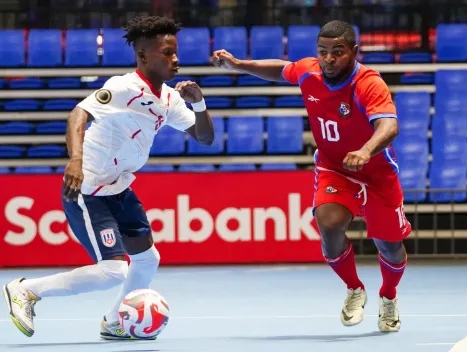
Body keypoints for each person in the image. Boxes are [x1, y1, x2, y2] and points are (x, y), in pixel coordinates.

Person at [3, 16, 214, 340]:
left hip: (119, 186)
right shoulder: (123, 87)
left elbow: (205, 138)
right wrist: (76, 160)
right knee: (114, 270)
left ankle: (115, 322)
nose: (175, 59)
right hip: (87, 188)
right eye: (166, 53)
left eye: (175, 53)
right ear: (144, 56)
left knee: (147, 259)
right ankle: (27, 290)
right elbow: (79, 114)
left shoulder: (169, 98)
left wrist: (198, 103)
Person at [212, 20, 410, 332]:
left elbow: (389, 126)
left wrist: (366, 150)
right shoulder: (310, 70)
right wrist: (240, 65)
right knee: (329, 226)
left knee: (389, 246)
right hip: (334, 168)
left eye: (338, 52)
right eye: (323, 52)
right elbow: (281, 69)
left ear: (354, 52)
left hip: (376, 172)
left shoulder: (369, 83)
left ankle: (388, 296)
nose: (329, 59)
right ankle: (355, 289)